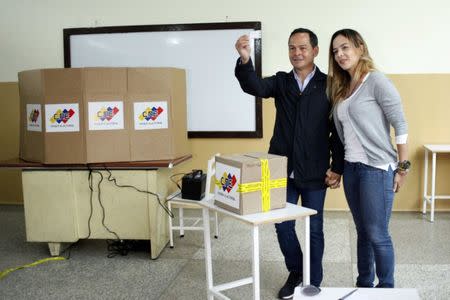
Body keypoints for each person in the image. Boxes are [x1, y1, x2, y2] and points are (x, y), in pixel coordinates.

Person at [235, 28, 344, 299]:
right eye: (292, 48)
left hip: (315, 170)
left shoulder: (329, 85)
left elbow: (338, 132)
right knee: (282, 224)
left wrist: (337, 166)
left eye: (303, 48)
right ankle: (296, 271)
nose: (297, 53)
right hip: (281, 169)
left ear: (315, 51)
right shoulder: (282, 82)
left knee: (314, 228)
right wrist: (245, 60)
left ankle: (313, 280)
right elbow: (254, 86)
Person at [327, 28, 410, 288]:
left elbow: (401, 124)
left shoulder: (376, 81)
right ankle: (364, 285)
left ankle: (386, 289)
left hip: (376, 168)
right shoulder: (343, 87)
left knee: (377, 233)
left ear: (360, 47)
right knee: (362, 232)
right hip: (353, 169)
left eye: (345, 48)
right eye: (336, 51)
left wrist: (403, 167)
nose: (340, 54)